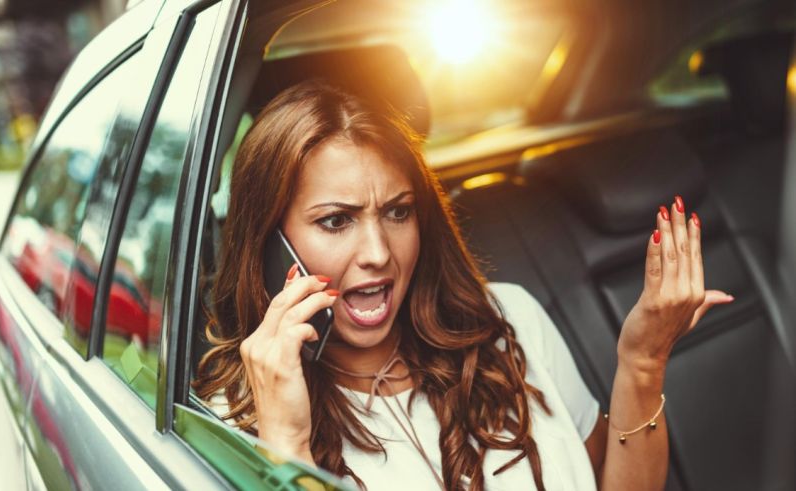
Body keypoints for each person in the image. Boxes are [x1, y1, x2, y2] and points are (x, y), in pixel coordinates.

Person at [193, 80, 734, 490]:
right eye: (337, 221)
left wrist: (641, 362)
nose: (379, 253)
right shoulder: (234, 419)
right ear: (270, 246)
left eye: (398, 212)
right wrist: (286, 444)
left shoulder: (507, 319)